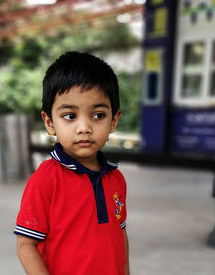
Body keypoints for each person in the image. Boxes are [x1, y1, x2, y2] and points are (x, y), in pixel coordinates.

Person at [14, 51, 129, 275]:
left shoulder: (116, 179)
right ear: (49, 122)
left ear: (113, 120)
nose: (84, 127)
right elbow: (26, 246)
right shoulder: (45, 180)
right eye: (69, 116)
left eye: (98, 115)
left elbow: (120, 236)